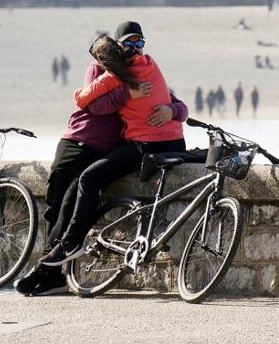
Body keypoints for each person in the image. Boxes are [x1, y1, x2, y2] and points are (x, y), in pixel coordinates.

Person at [36, 23, 187, 269]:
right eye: (129, 43)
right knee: (60, 200)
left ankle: (67, 249)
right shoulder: (127, 67)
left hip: (138, 144)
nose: (135, 49)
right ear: (116, 46)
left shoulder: (133, 68)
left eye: (140, 43)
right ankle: (49, 268)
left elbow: (178, 104)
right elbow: (92, 104)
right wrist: (128, 94)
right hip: (91, 141)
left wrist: (171, 110)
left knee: (86, 182)